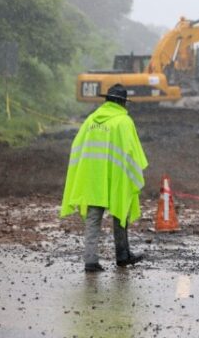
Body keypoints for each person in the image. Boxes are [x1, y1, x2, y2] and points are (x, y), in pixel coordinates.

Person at [60, 84, 148, 272]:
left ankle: (90, 261)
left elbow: (77, 145)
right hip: (116, 177)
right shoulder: (123, 122)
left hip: (93, 177)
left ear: (107, 100)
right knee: (120, 214)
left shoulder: (91, 120)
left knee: (93, 220)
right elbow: (132, 152)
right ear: (122, 102)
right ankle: (123, 256)